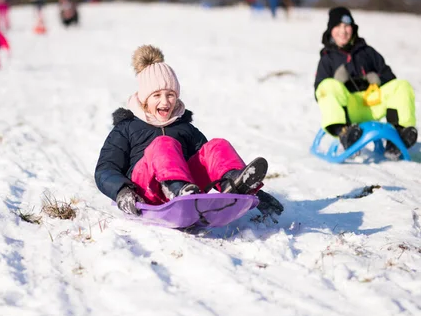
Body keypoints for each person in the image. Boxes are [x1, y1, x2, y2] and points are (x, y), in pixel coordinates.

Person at [95, 45, 284, 217]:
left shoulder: (184, 128)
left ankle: (235, 184)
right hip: (145, 190)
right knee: (162, 144)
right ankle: (175, 187)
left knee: (216, 145)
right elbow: (106, 169)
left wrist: (256, 195)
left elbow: (209, 163)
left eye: (171, 95)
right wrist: (122, 191)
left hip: (190, 190)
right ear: (144, 99)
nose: (165, 101)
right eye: (157, 95)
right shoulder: (127, 128)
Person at [313, 7, 417, 159]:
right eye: (338, 26)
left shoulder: (367, 52)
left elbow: (390, 78)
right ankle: (344, 134)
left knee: (401, 86)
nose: (343, 31)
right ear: (331, 30)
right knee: (327, 86)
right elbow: (320, 92)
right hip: (348, 109)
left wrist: (376, 78)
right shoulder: (327, 59)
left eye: (346, 26)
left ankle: (399, 135)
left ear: (353, 29)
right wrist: (337, 82)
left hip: (372, 104)